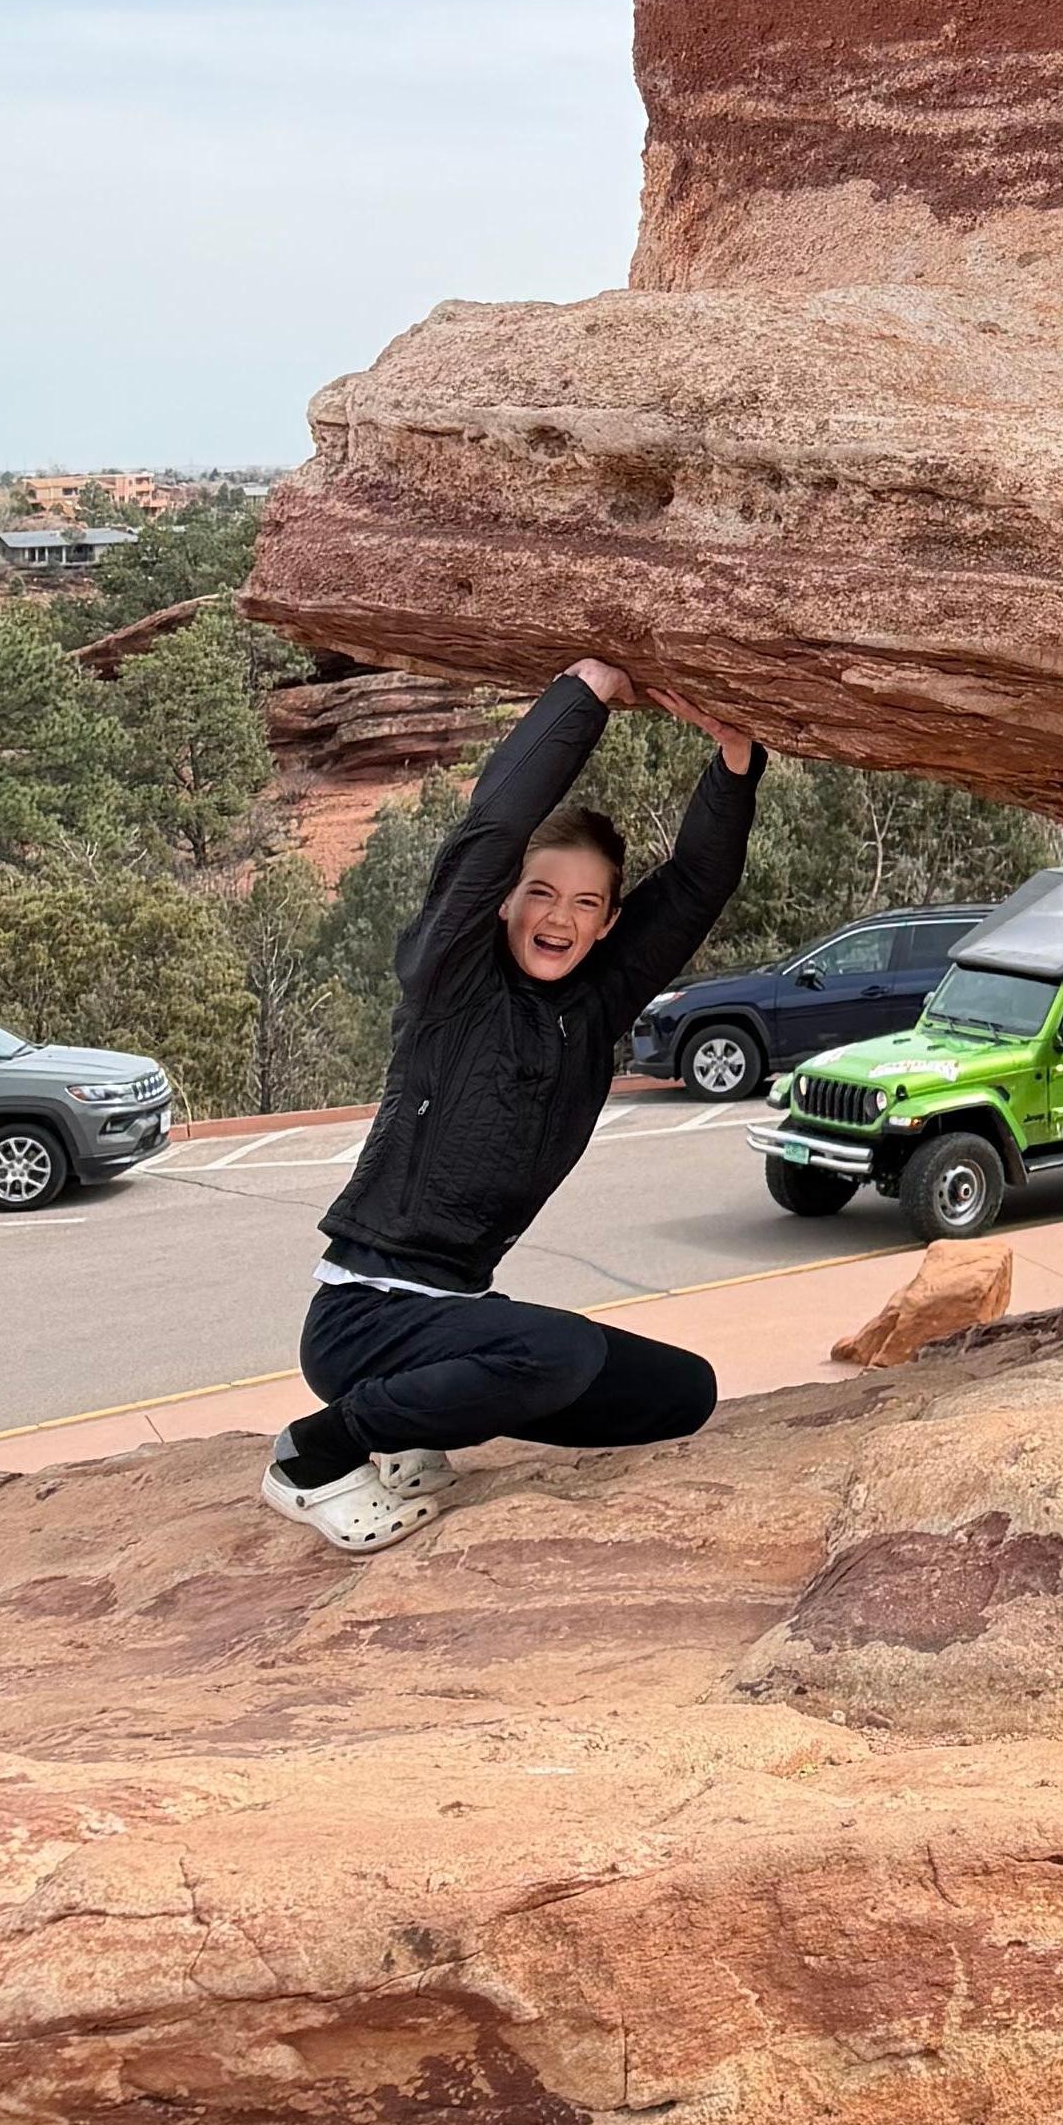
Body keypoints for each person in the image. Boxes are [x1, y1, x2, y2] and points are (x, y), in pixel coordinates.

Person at [261, 656, 762, 1553]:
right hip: (365, 1317)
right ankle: (317, 1452)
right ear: (503, 903)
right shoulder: (447, 978)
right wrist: (589, 692)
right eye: (539, 892)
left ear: (608, 922)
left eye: (585, 902)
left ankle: (414, 1429)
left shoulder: (591, 1007)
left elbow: (692, 891)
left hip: (451, 1316)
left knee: (682, 1393)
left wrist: (733, 759)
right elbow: (494, 823)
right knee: (556, 1355)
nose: (558, 916)